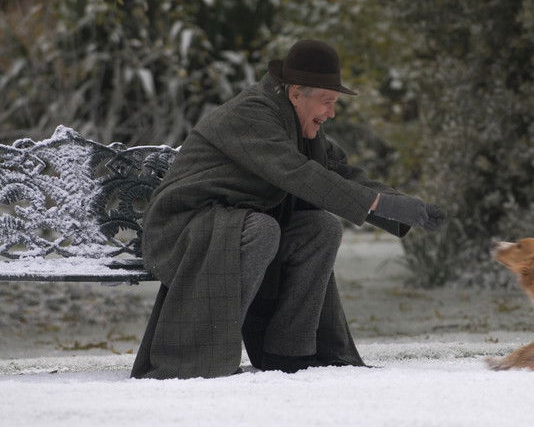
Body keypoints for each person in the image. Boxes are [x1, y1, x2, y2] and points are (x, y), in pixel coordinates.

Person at [131, 40, 446, 379]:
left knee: (320, 229)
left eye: (334, 103)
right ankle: (203, 357)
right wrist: (378, 204)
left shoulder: (296, 124)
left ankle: (288, 353)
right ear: (296, 93)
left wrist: (403, 206)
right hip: (183, 227)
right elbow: (298, 173)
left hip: (231, 224)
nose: (331, 112)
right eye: (326, 101)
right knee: (262, 230)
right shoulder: (253, 114)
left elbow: (335, 173)